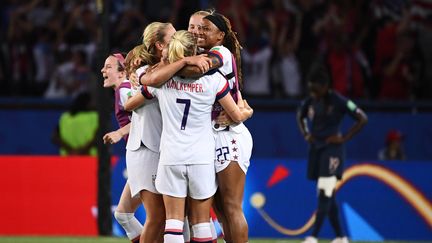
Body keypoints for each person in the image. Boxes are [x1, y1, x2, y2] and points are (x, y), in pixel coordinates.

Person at [125, 30, 253, 243]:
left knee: (174, 222)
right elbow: (237, 115)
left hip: (171, 156)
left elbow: (130, 103)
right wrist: (248, 112)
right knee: (201, 221)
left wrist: (141, 74)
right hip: (201, 158)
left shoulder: (161, 82)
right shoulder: (215, 80)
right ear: (195, 52)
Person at [296, 64, 367, 243]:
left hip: (332, 150)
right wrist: (306, 133)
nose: (313, 92)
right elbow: (300, 115)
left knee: (324, 191)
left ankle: (313, 236)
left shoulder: (338, 100)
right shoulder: (311, 100)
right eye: (310, 88)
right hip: (317, 149)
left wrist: (344, 138)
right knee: (329, 195)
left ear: (325, 86)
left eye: (315, 88)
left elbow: (362, 118)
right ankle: (341, 237)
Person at [100, 52, 142, 243]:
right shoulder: (124, 90)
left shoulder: (125, 91)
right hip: (140, 157)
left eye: (108, 67)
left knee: (165, 218)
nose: (103, 70)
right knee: (123, 215)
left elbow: (144, 121)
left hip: (145, 157)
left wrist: (119, 133)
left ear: (122, 72)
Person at [51, 91, 98, 156]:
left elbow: (55, 137)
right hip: (90, 159)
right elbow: (97, 137)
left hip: (68, 159)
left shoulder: (65, 117)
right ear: (88, 103)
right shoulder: (95, 116)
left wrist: (71, 151)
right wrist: (80, 152)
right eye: (92, 102)